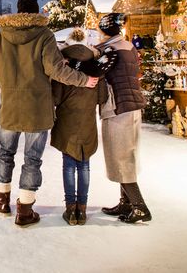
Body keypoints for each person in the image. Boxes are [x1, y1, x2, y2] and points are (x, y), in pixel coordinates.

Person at [0, 0, 99, 227]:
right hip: (37, 109)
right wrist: (83, 80)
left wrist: (5, 83)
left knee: (5, 152)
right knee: (32, 158)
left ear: (17, 11)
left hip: (10, 108)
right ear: (36, 12)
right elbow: (55, 70)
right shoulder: (44, 35)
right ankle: (25, 210)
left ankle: (1, 201)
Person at [50, 28, 114, 226]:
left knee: (68, 164)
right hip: (87, 121)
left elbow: (55, 97)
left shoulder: (62, 64)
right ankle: (82, 210)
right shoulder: (95, 65)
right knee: (84, 164)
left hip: (66, 121)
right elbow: (102, 97)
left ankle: (70, 210)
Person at [96, 13, 152, 224]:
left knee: (121, 157)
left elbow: (96, 71)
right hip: (133, 105)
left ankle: (139, 206)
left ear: (104, 29)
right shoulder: (129, 46)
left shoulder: (107, 50)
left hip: (118, 107)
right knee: (126, 154)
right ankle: (126, 202)